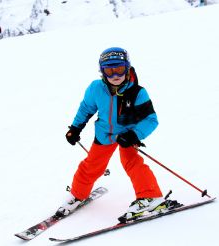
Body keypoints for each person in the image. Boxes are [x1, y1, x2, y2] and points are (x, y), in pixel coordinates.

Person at [56, 47, 167, 221]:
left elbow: (151, 120)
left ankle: (150, 197)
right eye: (109, 70)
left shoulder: (138, 92)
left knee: (133, 163)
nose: (115, 75)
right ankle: (78, 194)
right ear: (102, 72)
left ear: (127, 67)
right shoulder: (95, 88)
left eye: (119, 69)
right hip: (104, 135)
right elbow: (86, 108)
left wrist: (134, 135)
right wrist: (75, 128)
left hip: (126, 136)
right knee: (92, 166)